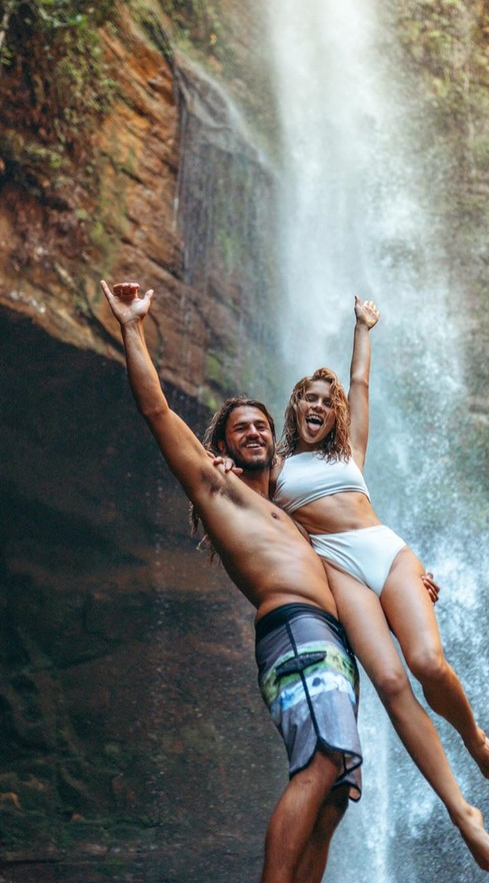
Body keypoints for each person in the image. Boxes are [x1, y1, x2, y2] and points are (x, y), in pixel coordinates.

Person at [101, 280, 363, 883]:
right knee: (321, 761)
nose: (254, 433)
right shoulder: (219, 494)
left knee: (332, 801)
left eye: (263, 427)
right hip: (296, 632)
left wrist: (414, 580)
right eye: (239, 428)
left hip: (335, 644)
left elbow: (361, 542)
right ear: (220, 444)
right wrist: (132, 326)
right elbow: (157, 412)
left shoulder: (298, 512)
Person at [270, 296, 489, 876]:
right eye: (311, 397)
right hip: (341, 571)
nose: (320, 405)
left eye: (328, 403)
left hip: (388, 553)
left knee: (428, 663)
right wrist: (223, 466)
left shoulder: (350, 451)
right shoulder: (273, 471)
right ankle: (463, 814)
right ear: (295, 404)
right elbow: (231, 498)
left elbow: (360, 381)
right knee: (389, 680)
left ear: (336, 415)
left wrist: (362, 327)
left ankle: (473, 735)